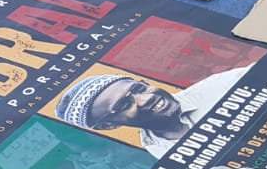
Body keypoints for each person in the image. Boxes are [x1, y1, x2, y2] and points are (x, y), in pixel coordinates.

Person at [54, 67, 252, 158]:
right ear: (108, 126)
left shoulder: (225, 86)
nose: (146, 98)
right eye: (124, 105)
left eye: (139, 89)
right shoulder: (156, 149)